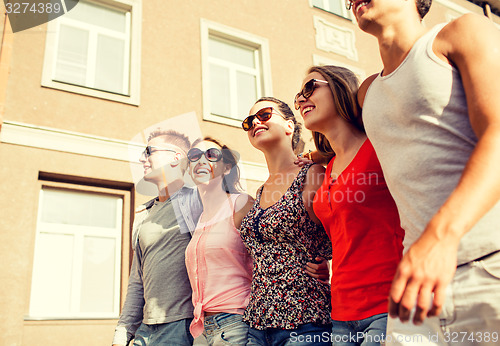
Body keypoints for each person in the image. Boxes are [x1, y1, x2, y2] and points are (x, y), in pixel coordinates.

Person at [350, 0, 500, 343]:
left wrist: (440, 238)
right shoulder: (367, 92)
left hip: (488, 266)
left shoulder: (462, 32)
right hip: (416, 288)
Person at [294, 65, 404, 345]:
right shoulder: (326, 166)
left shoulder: (379, 147)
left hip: (389, 305)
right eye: (298, 96)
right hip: (341, 312)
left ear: (340, 88)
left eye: (310, 88)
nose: (301, 100)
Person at [239, 97, 333, 346]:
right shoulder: (260, 191)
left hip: (304, 321)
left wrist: (327, 265)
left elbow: (341, 233)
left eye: (265, 114)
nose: (255, 122)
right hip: (257, 323)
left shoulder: (312, 174)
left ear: (290, 125)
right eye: (249, 121)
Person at [112, 129, 202, 346]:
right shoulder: (145, 213)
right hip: (145, 329)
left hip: (181, 327)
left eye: (149, 151)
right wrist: (122, 333)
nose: (142, 158)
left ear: (175, 158)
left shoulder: (196, 201)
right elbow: (137, 281)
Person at [184, 137, 254, 345]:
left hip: (235, 324)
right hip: (202, 328)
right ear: (189, 169)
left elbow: (267, 257)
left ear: (226, 168)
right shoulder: (198, 218)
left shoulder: (240, 203)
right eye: (194, 156)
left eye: (211, 155)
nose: (201, 161)